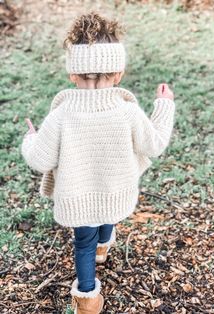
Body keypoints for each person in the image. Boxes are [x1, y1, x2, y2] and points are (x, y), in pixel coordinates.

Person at [21, 12, 176, 314]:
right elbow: (154, 144)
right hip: (115, 189)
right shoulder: (126, 111)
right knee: (107, 213)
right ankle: (104, 247)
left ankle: (87, 299)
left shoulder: (61, 114)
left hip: (78, 199)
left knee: (83, 245)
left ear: (73, 74)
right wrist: (164, 106)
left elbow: (40, 159)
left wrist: (31, 138)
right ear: (118, 73)